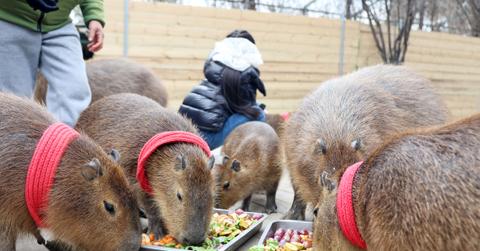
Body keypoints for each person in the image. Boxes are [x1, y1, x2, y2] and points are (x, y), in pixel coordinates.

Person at [0, 0, 104, 127]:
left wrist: (94, 16)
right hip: (11, 18)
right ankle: (12, 144)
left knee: (74, 89)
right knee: (15, 99)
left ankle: (62, 142)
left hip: (59, 24)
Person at [179, 30, 267, 149]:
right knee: (259, 114)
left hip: (187, 130)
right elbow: (248, 108)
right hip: (206, 140)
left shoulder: (215, 63)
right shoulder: (243, 74)